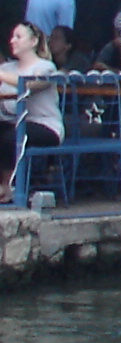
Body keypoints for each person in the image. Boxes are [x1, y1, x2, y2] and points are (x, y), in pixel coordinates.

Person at [1, 20, 64, 206]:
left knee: (9, 138)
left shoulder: (46, 68)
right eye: (12, 37)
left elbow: (28, 85)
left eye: (18, 37)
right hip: (14, 122)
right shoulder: (7, 68)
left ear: (33, 41)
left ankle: (8, 188)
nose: (12, 41)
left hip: (45, 126)